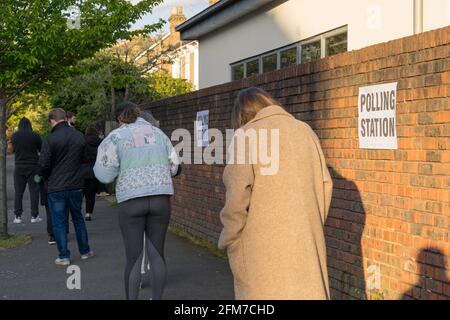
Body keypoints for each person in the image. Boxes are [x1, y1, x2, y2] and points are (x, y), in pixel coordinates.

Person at [218, 87, 333, 300]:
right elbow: (325, 184)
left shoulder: (245, 135)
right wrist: (311, 225)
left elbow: (236, 196)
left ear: (241, 114)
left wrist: (230, 239)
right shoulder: (305, 131)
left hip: (260, 247)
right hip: (305, 241)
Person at [94, 101, 179, 300]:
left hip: (131, 201)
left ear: (118, 119)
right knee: (157, 253)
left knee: (134, 257)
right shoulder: (159, 134)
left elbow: (104, 175)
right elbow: (175, 167)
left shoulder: (115, 137)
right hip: (160, 199)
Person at [39, 108, 93, 266]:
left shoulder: (49, 139)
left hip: (56, 187)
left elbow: (43, 164)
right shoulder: (78, 136)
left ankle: (64, 256)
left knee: (59, 222)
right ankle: (85, 251)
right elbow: (86, 158)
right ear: (65, 118)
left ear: (52, 121)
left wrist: (46, 177)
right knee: (78, 218)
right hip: (76, 185)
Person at [11, 117, 42, 224]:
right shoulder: (35, 135)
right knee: (34, 190)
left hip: (19, 167)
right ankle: (34, 215)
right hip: (33, 167)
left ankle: (17, 216)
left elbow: (13, 150)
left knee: (18, 192)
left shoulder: (14, 135)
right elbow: (41, 149)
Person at [82, 127, 102, 221]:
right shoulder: (100, 142)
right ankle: (88, 213)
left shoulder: (82, 141)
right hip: (94, 171)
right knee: (90, 194)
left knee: (80, 193)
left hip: (81, 170)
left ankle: (76, 212)